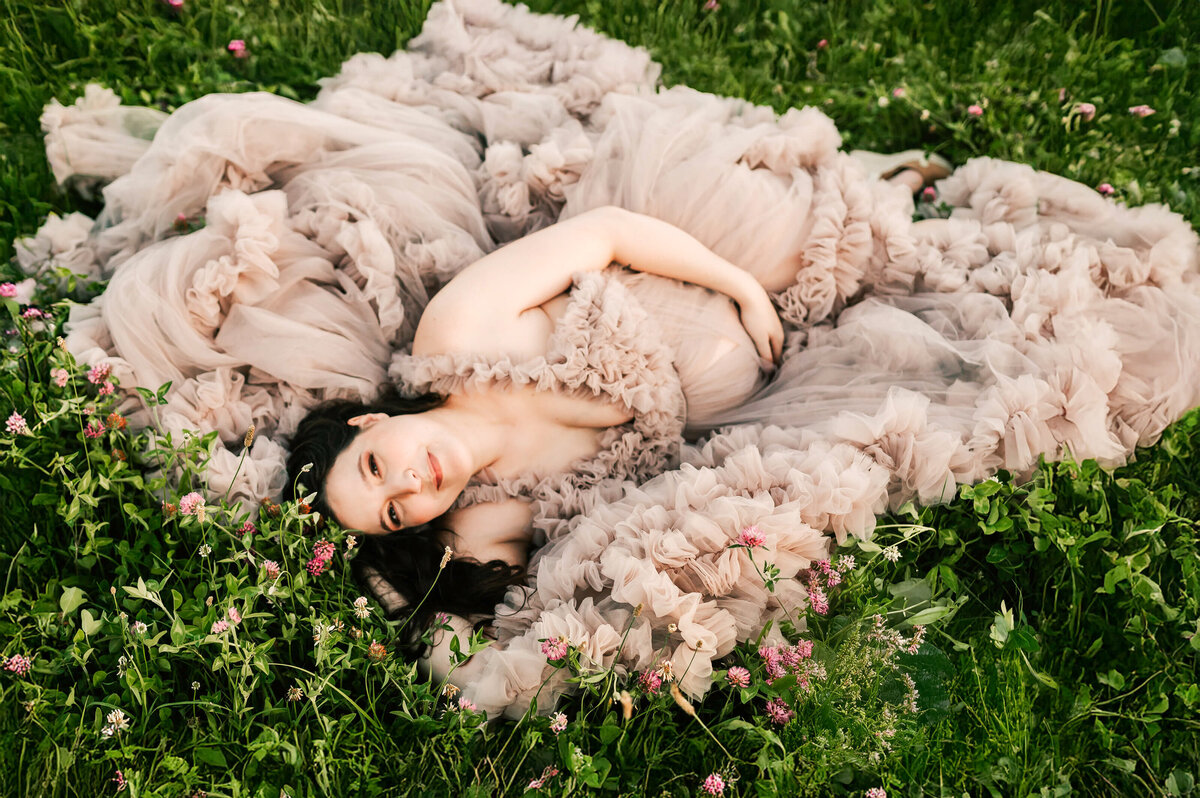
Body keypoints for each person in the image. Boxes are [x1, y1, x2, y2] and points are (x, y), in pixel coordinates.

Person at [283, 157, 949, 662]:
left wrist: (741, 287)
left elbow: (607, 233)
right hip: (766, 392)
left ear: (371, 422)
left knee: (816, 240)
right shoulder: (489, 518)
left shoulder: (456, 336)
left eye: (375, 466)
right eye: (396, 512)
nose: (409, 483)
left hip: (708, 255)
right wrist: (378, 576)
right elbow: (473, 631)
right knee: (907, 375)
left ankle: (887, 182)